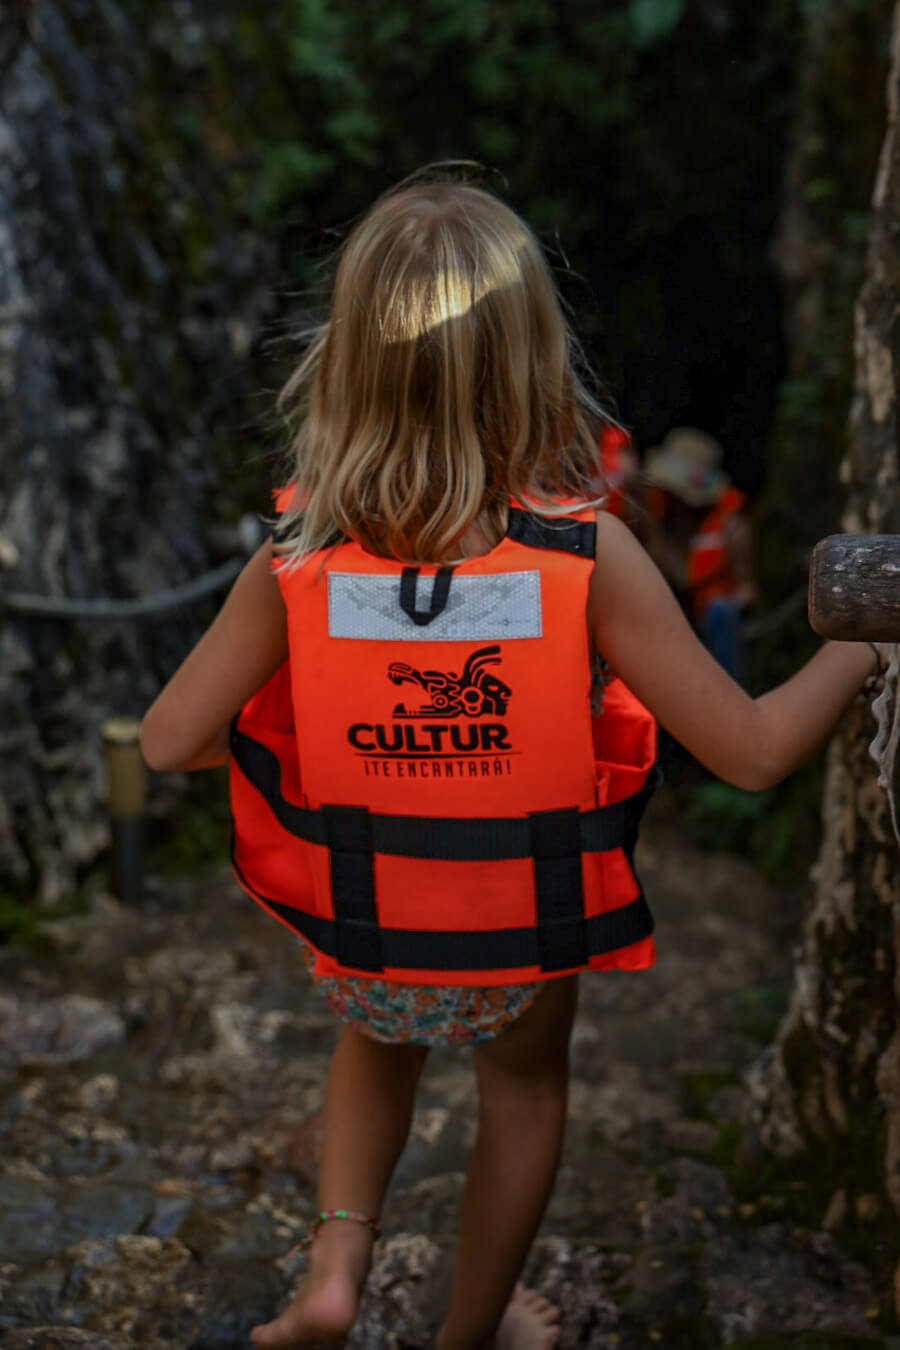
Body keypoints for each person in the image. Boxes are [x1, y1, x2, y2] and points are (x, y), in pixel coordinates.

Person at [139, 176, 884, 1350]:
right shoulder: (589, 559)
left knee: (374, 1041)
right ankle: (469, 1333)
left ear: (343, 369)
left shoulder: (299, 558)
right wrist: (862, 647)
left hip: (369, 925)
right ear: (537, 361)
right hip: (519, 937)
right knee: (524, 1089)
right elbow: (752, 754)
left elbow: (168, 740)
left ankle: (335, 1271)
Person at [642, 427, 757, 677]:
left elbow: (748, 592)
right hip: (669, 624)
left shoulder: (731, 527)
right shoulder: (656, 521)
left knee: (721, 613)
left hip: (712, 628)